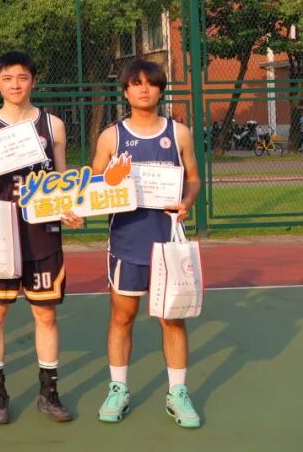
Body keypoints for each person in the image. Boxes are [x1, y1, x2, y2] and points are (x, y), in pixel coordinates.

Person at [0, 51, 81, 424]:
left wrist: (69, 207)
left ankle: (49, 393)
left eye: (22, 77)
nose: (15, 84)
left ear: (33, 81)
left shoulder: (52, 125)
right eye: (7, 78)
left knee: (45, 313)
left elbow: (61, 179)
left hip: (42, 231)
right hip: (0, 233)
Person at [91, 58, 201, 428]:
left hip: (167, 242)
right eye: (136, 83)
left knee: (172, 318)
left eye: (151, 83)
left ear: (160, 90)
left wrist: (186, 201)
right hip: (127, 242)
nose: (143, 89)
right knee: (122, 318)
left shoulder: (178, 133)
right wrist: (111, 182)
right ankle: (118, 388)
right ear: (125, 91)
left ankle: (178, 392)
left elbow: (193, 178)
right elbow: (94, 186)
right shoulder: (112, 137)